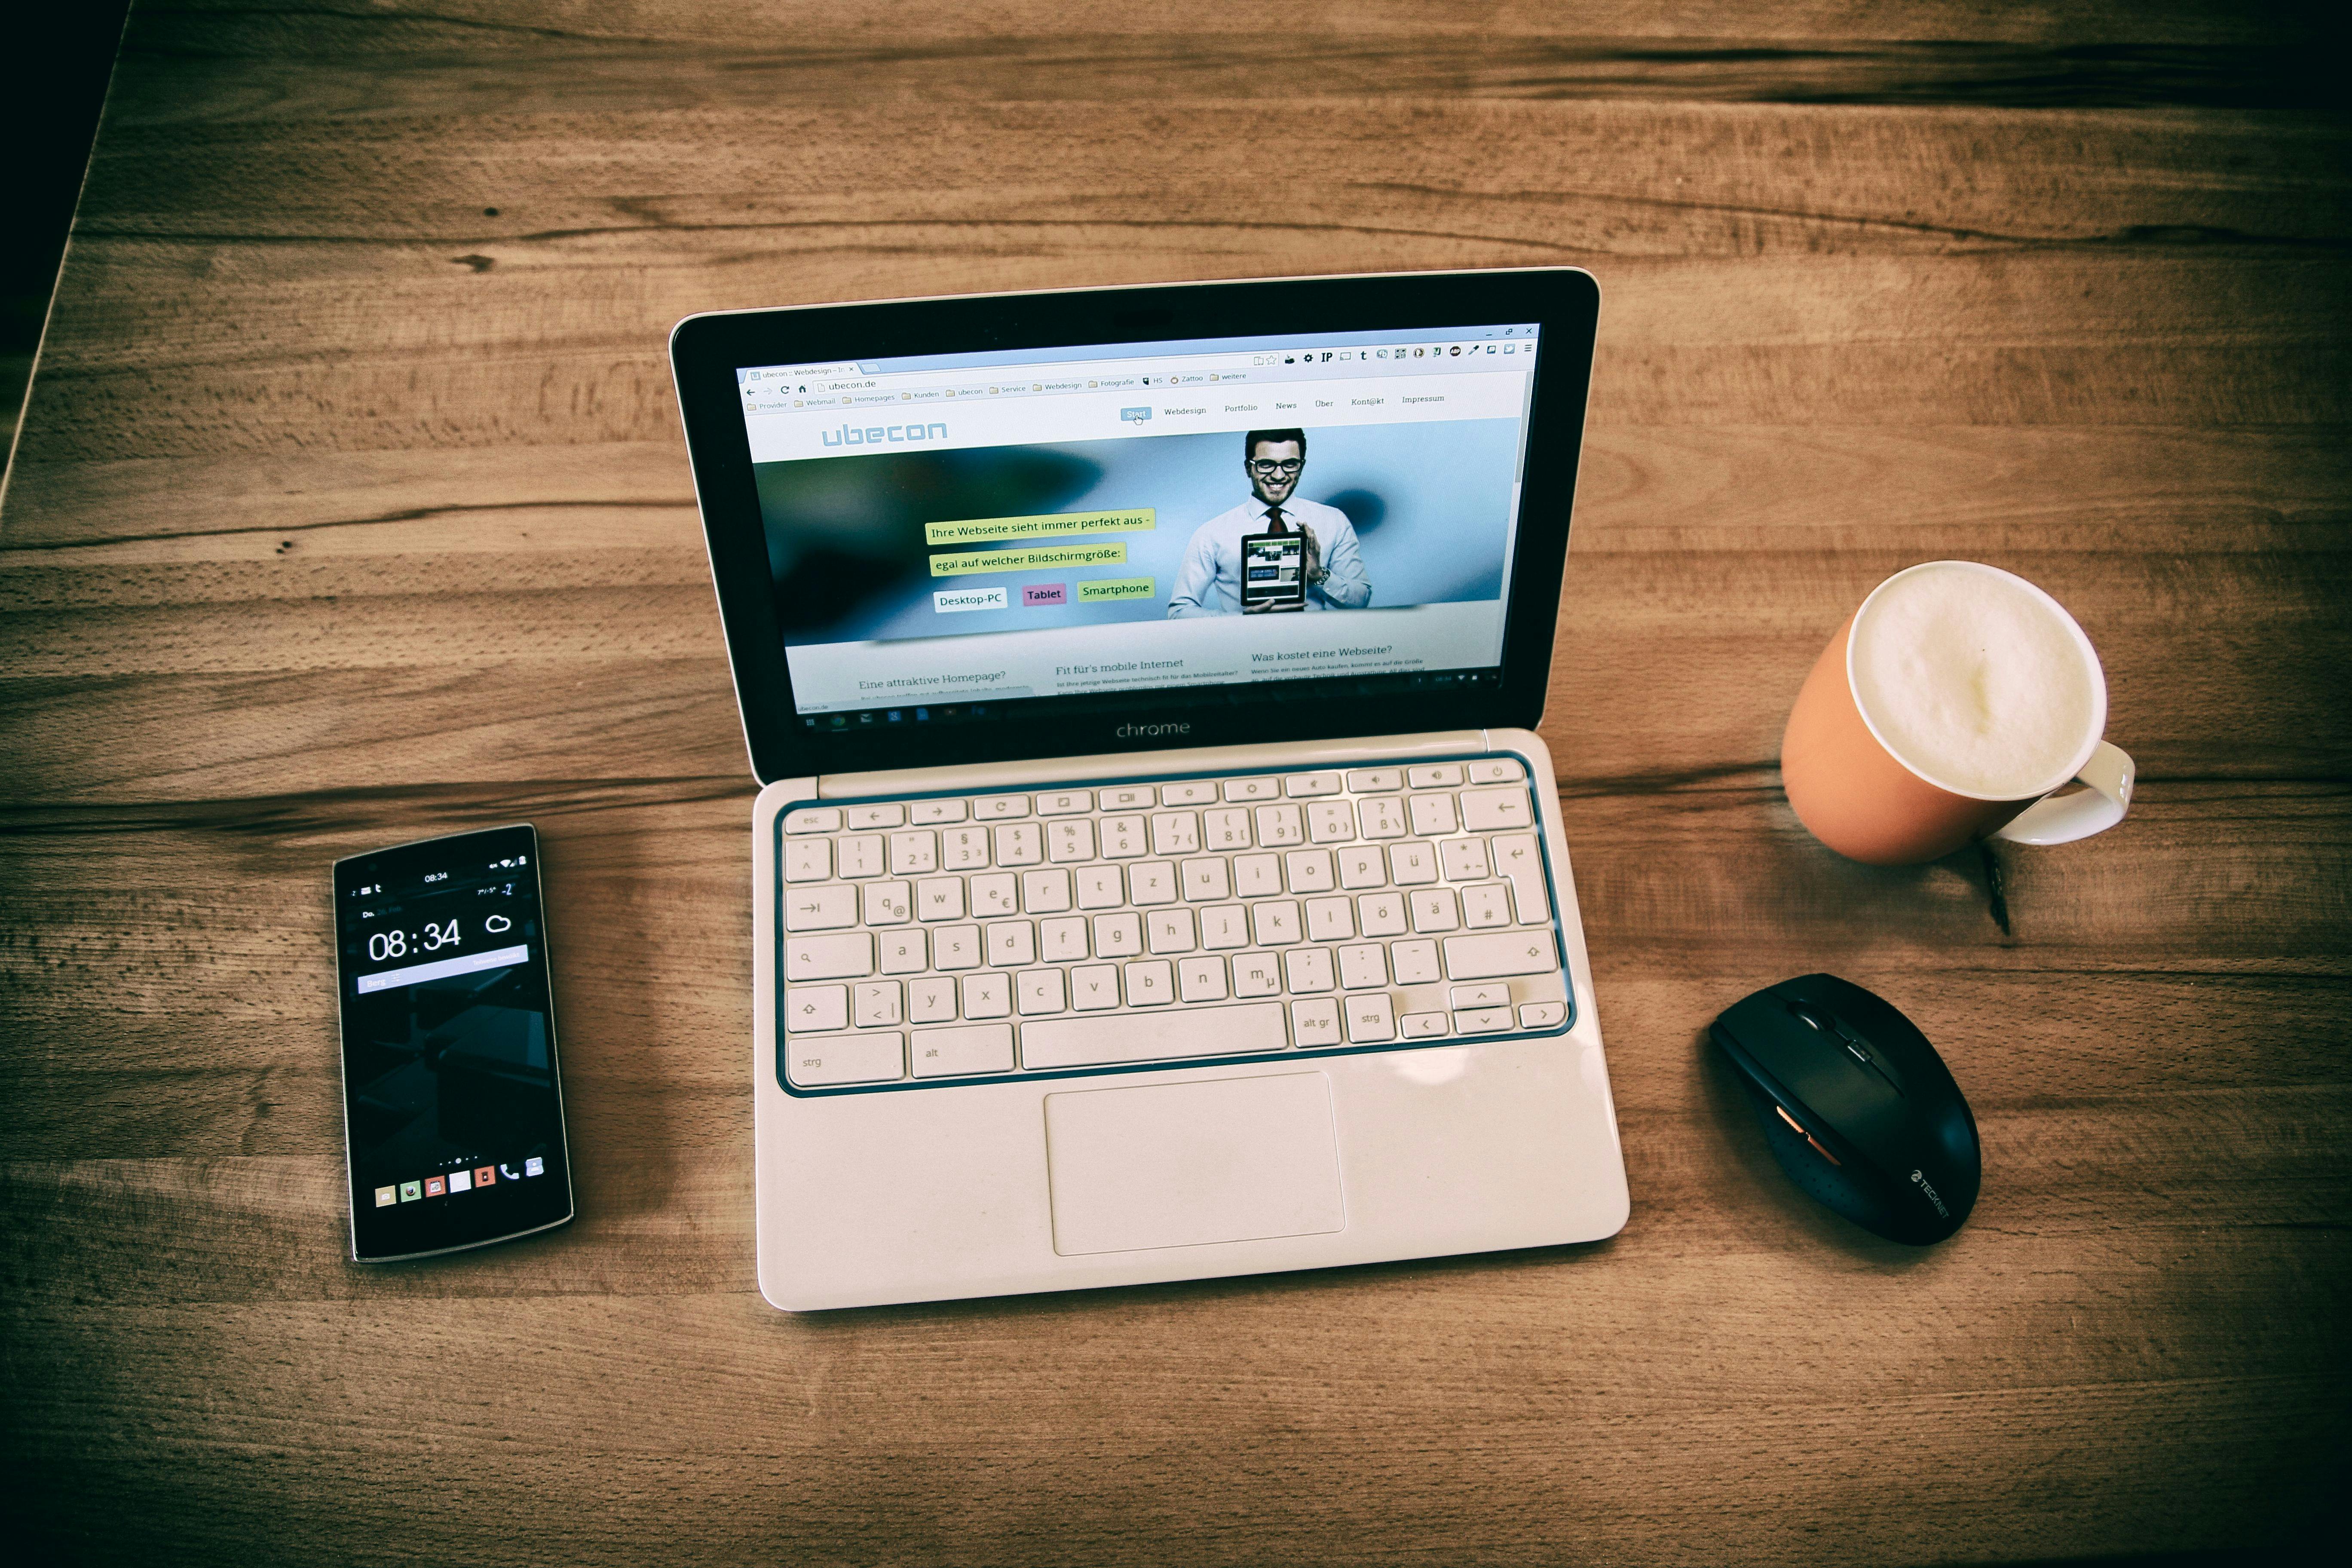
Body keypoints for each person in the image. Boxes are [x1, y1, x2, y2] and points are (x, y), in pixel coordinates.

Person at [1166, 429, 1372, 616]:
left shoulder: (1334, 521)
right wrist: (1240, 621)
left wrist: (1318, 575)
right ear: (1249, 468)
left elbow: (1361, 601)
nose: (1279, 475)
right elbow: (1180, 611)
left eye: (1290, 464)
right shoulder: (1212, 533)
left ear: (1301, 467)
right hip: (1243, 650)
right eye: (1266, 465)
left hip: (1313, 649)